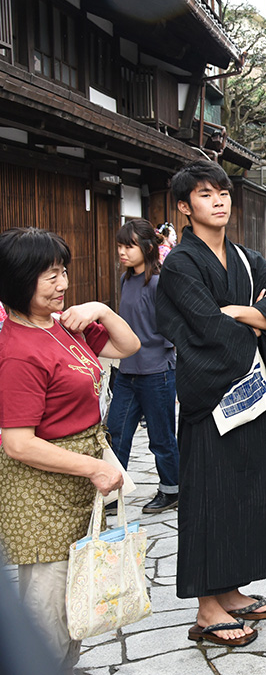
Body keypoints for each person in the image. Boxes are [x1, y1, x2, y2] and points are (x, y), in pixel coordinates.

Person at [156, 160, 266, 647]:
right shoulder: (180, 263)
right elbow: (204, 326)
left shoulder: (246, 257)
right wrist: (255, 320)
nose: (219, 201)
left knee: (247, 491)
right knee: (209, 498)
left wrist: (241, 312)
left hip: (248, 395)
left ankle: (231, 590)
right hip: (209, 396)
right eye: (205, 194)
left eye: (223, 192)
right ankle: (206, 607)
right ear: (184, 206)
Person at [0, 227, 140, 671]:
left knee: (75, 600)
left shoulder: (63, 326)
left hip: (77, 476)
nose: (62, 284)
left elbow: (129, 346)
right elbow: (18, 443)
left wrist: (102, 309)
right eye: (50, 276)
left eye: (63, 272)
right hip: (41, 492)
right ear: (18, 280)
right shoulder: (17, 351)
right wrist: (92, 467)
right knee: (48, 605)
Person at [107, 219, 180, 514]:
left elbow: (171, 329)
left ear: (148, 248)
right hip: (127, 371)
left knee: (161, 437)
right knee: (116, 432)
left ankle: (171, 489)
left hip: (157, 372)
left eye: (129, 246)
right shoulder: (125, 280)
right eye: (120, 246)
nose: (122, 252)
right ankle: (112, 492)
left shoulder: (159, 283)